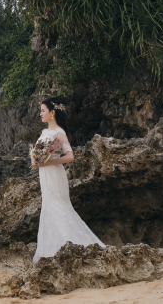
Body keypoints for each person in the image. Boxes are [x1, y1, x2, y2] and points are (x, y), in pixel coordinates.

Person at [31, 97, 105, 262]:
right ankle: (52, 250)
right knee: (49, 207)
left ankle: (72, 245)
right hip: (45, 175)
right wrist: (36, 160)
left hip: (55, 175)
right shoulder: (44, 133)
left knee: (59, 207)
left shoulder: (59, 133)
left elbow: (70, 156)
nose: (40, 114)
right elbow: (38, 156)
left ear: (52, 113)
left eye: (43, 110)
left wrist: (47, 162)